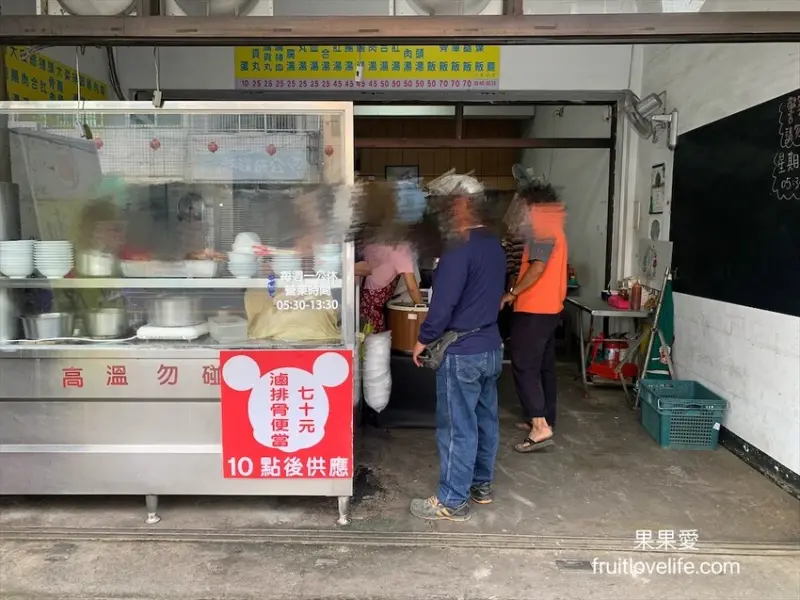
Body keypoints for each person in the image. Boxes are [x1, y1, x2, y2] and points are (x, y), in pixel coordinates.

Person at [409, 174, 506, 522]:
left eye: (445, 205)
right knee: (485, 420)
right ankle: (481, 485)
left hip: (462, 351)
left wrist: (422, 340)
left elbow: (443, 305)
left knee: (457, 426)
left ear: (461, 206)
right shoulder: (493, 243)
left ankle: (451, 500)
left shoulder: (458, 247)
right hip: (491, 346)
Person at [499, 181, 567, 453]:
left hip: (535, 308)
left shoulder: (542, 228)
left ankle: (540, 427)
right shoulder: (553, 227)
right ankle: (543, 416)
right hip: (550, 308)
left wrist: (512, 292)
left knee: (525, 365)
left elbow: (537, 268)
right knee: (544, 366)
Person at [360, 241, 423, 333]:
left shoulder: (379, 242)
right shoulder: (402, 249)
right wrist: (422, 310)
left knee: (366, 336)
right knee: (375, 339)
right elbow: (412, 288)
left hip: (363, 294)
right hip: (372, 302)